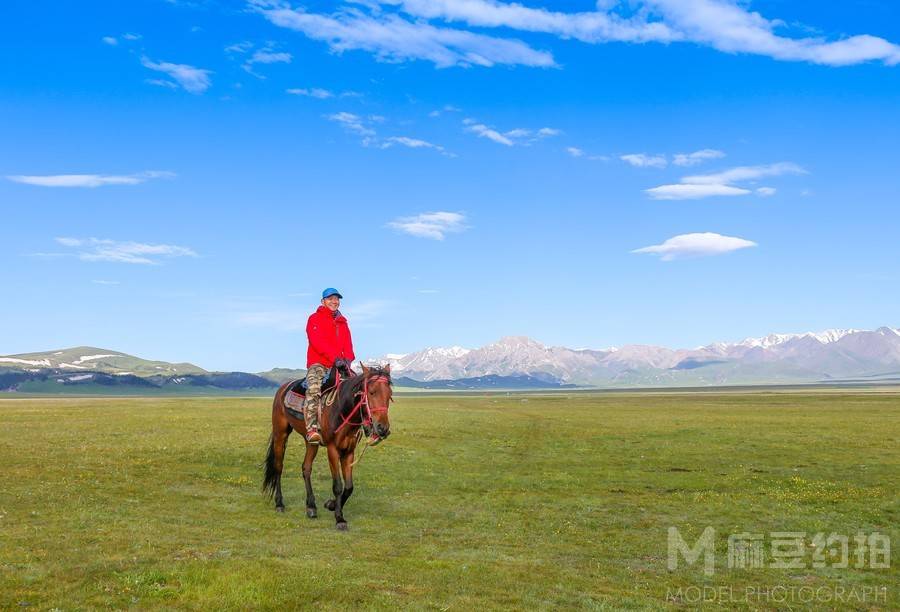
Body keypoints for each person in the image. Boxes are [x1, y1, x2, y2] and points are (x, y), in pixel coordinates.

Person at [304, 288, 355, 444]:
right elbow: (317, 342)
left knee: (359, 388)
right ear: (323, 301)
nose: (334, 301)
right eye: (330, 298)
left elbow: (348, 344)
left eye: (337, 299)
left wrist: (347, 360)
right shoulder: (314, 319)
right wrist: (335, 358)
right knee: (313, 388)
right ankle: (311, 429)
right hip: (319, 363)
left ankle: (367, 426)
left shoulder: (343, 322)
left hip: (340, 364)